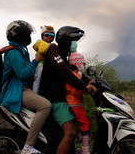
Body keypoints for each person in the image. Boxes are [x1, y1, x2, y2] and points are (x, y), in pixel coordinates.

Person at [38, 26, 97, 154]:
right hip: (54, 100)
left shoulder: (65, 55)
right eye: (74, 39)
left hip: (60, 99)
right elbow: (64, 71)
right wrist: (83, 86)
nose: (75, 42)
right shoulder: (54, 50)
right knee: (71, 133)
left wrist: (90, 81)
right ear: (65, 39)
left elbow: (73, 71)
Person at [0, 20, 52, 154]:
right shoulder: (14, 52)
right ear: (20, 36)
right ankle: (28, 147)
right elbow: (22, 73)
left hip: (22, 88)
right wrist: (37, 59)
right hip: (16, 90)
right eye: (27, 34)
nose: (29, 37)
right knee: (45, 105)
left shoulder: (21, 50)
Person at [65, 52, 91, 154]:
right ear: (77, 64)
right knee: (85, 124)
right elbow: (76, 91)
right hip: (75, 104)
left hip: (72, 103)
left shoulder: (75, 75)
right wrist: (85, 90)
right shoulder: (74, 76)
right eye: (83, 63)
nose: (84, 65)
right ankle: (85, 150)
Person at [32, 25, 55, 93]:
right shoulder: (40, 42)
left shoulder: (48, 44)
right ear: (42, 36)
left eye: (52, 35)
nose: (49, 37)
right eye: (47, 35)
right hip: (40, 64)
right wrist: (50, 46)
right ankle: (34, 95)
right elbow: (42, 50)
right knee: (37, 80)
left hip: (46, 65)